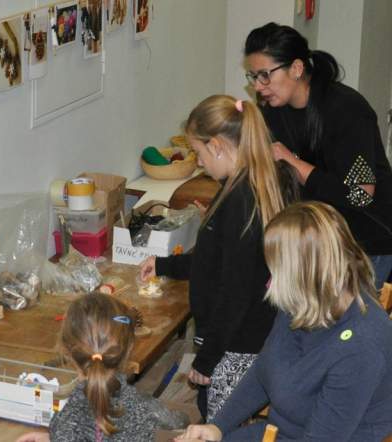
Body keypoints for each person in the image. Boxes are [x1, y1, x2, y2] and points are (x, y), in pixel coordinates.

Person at [176, 201, 392, 442]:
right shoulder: (303, 302)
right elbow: (264, 370)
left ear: (304, 274)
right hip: (282, 430)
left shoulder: (362, 346)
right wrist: (217, 427)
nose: (270, 281)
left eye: (275, 269)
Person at [139, 95, 293, 422]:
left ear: (218, 146)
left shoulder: (240, 201)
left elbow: (234, 291)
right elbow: (216, 262)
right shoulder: (241, 184)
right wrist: (164, 265)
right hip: (245, 335)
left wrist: (207, 359)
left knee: (220, 424)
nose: (199, 162)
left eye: (199, 152)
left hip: (236, 344)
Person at [244, 22, 392, 289]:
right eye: (253, 76)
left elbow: (360, 195)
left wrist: (293, 162)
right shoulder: (273, 110)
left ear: (296, 68)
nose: (258, 86)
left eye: (265, 75)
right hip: (318, 239)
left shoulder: (348, 110)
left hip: (366, 244)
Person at [16, 293, 188, 442]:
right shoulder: (144, 409)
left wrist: (54, 437)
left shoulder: (65, 421)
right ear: (128, 349)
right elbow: (180, 421)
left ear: (67, 352)